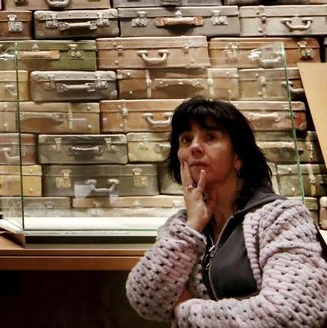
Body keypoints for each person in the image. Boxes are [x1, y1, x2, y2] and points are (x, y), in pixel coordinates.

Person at [126, 96, 327, 327]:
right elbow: (145, 301)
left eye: (210, 137)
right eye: (185, 139)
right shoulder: (183, 224)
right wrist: (192, 226)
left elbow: (289, 313)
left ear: (238, 156)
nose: (195, 147)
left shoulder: (281, 217)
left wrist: (185, 312)